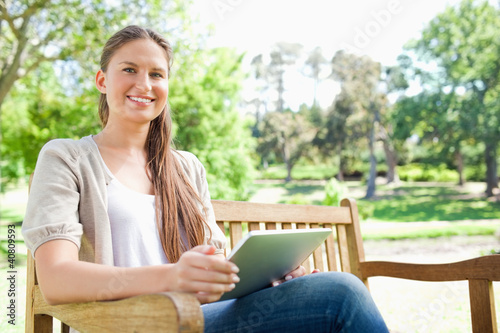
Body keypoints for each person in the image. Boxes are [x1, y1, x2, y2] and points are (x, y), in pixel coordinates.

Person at [22, 25, 389, 332]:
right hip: (133, 323)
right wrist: (172, 277)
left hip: (203, 316)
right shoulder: (66, 157)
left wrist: (267, 279)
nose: (144, 84)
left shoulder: (186, 167)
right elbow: (56, 279)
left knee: (327, 292)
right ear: (102, 80)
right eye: (129, 70)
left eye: (156, 74)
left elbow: (213, 263)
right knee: (341, 294)